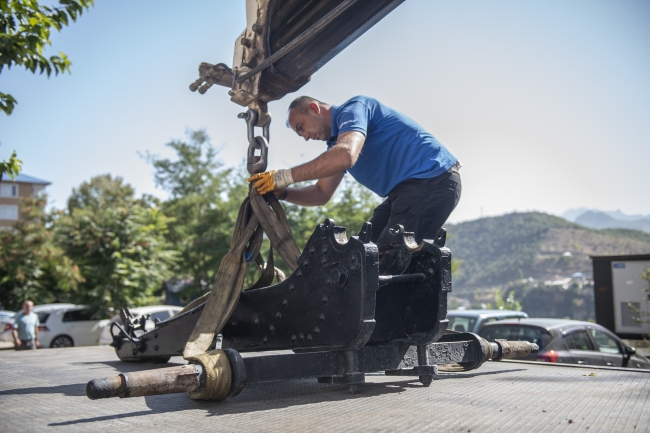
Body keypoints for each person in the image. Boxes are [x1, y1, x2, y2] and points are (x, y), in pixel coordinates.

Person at [248, 95, 461, 246]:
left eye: (301, 127)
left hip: (432, 180)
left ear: (314, 108)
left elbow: (346, 155)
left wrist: (283, 177)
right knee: (363, 254)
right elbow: (320, 194)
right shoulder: (334, 147)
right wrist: (283, 193)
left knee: (389, 260)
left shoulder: (355, 108)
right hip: (406, 192)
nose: (304, 136)